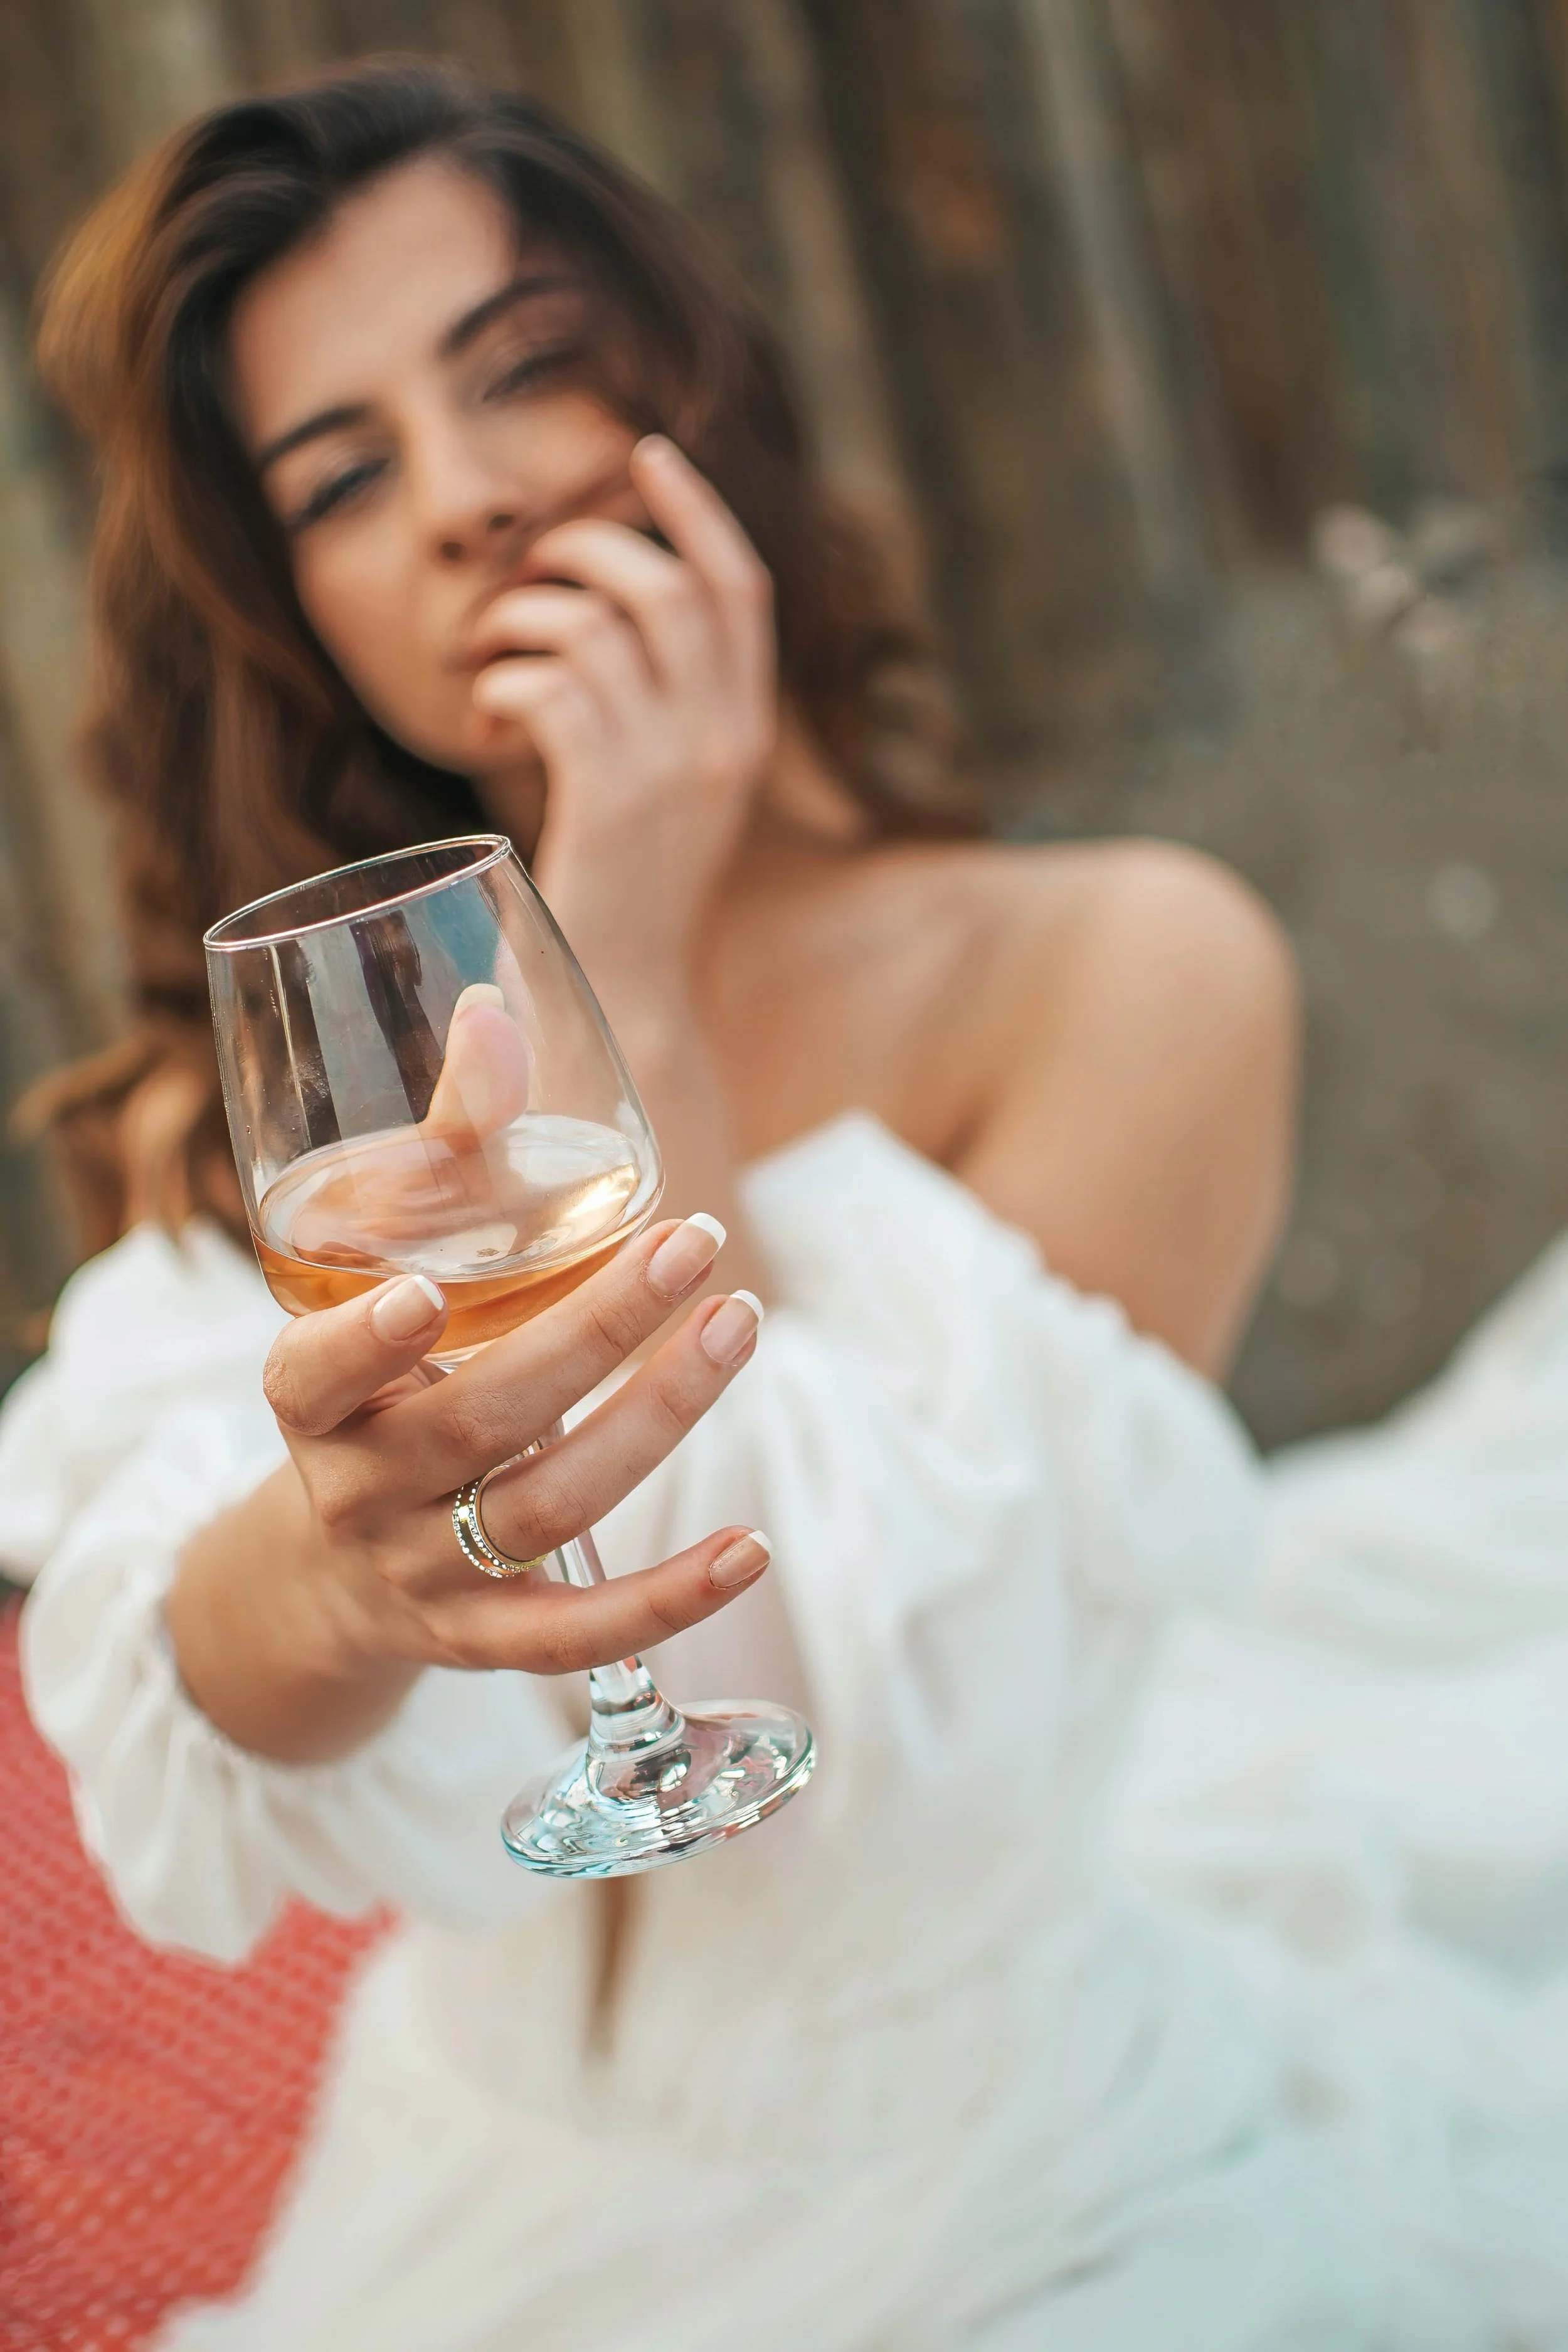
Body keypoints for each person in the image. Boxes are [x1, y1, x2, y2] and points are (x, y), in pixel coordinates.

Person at [6, 57, 1568, 2351]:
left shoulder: (1122, 971)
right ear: (289, 605)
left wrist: (621, 934)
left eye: (517, 365)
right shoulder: (304, 1110)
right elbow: (197, 1696)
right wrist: (331, 1570)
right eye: (342, 476)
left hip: (990, 2164)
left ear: (687, 387)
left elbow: (795, 1727)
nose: (466, 497)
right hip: (462, 2175)